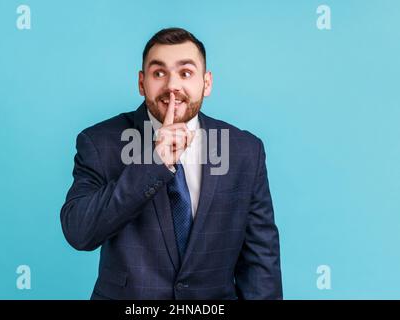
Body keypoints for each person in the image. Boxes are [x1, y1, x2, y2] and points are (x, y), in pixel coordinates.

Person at [60, 27, 282, 299]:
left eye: (185, 73)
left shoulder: (245, 150)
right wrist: (153, 164)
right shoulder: (99, 142)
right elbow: (79, 232)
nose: (172, 86)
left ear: (206, 83)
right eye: (159, 73)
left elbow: (261, 263)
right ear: (142, 83)